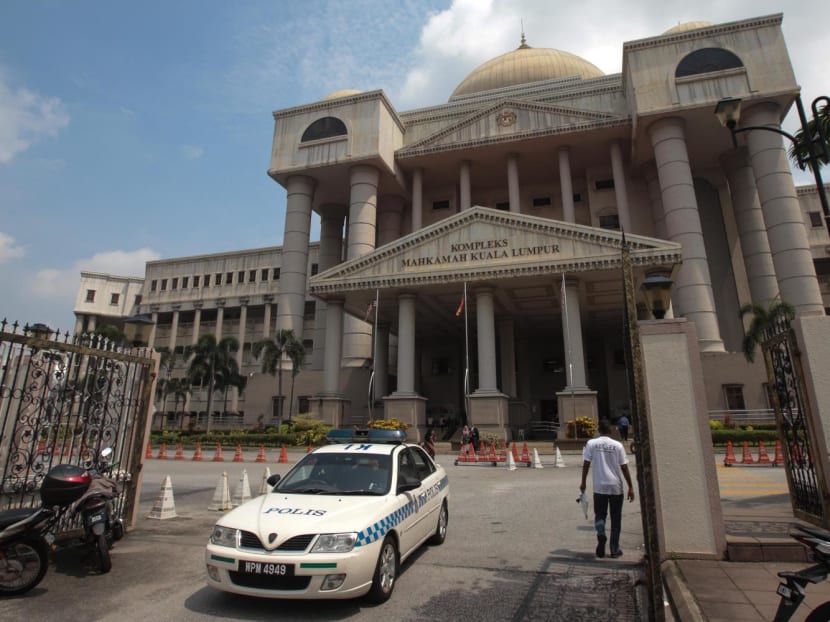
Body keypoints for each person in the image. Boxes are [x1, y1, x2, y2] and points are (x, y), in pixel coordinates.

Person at [579, 419, 635, 559]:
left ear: (598, 430)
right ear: (610, 430)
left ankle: (601, 534)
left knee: (600, 515)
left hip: (600, 487)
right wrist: (630, 486)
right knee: (616, 519)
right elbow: (624, 467)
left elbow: (586, 464)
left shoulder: (591, 444)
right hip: (616, 487)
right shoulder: (618, 445)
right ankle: (614, 549)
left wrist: (583, 482)